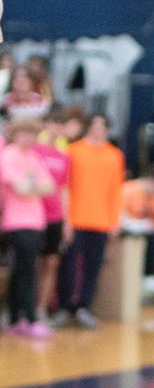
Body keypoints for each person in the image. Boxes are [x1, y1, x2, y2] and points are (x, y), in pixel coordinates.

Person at [52, 113, 124, 328]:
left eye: (103, 126)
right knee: (69, 266)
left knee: (93, 267)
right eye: (95, 125)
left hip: (100, 221)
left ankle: (84, 306)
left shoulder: (114, 155)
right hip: (76, 219)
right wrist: (66, 220)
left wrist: (114, 221)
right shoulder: (74, 151)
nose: (99, 129)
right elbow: (65, 187)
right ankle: (65, 307)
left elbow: (115, 190)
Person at [0, 118, 55, 338]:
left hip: (35, 221)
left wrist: (31, 185)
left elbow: (49, 186)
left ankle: (15, 319)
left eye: (33, 134)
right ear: (16, 134)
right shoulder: (9, 155)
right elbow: (20, 188)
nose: (29, 138)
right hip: (17, 222)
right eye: (25, 133)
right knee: (27, 271)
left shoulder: (33, 157)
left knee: (23, 270)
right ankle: (29, 318)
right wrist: (34, 186)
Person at [32, 110, 70, 321]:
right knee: (34, 263)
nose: (56, 128)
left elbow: (64, 189)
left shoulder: (64, 156)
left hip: (55, 216)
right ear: (46, 125)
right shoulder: (36, 151)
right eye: (53, 123)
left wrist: (66, 220)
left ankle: (41, 307)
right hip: (36, 215)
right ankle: (27, 307)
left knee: (52, 262)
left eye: (60, 124)